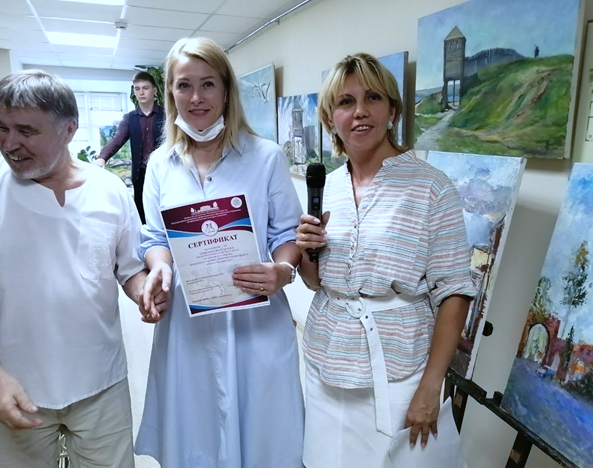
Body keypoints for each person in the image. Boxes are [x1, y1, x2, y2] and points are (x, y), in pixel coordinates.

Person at [0, 70, 167, 468]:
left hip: (101, 382)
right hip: (14, 386)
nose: (9, 143)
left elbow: (129, 269)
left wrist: (146, 292)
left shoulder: (109, 190)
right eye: (1, 127)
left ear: (69, 130)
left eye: (26, 131)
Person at [296, 53, 477, 467]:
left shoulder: (431, 187)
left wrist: (431, 386)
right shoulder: (328, 186)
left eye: (373, 98)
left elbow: (454, 291)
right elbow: (314, 281)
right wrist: (308, 251)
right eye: (345, 102)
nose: (359, 111)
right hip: (326, 363)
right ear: (330, 118)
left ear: (392, 110)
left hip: (397, 370)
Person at [135, 37, 305, 467]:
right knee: (196, 431)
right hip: (187, 322)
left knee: (262, 433)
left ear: (226, 90)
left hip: (255, 319)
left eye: (208, 84)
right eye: (184, 85)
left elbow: (287, 234)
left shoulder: (266, 157)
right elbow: (155, 238)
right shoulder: (160, 164)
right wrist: (159, 269)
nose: (196, 97)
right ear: (170, 93)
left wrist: (282, 270)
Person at [95, 71, 166, 224]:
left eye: (145, 88)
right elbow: (117, 139)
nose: (141, 92)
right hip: (140, 175)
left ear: (154, 91)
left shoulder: (166, 115)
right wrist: (102, 158)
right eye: (137, 88)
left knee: (165, 213)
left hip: (164, 173)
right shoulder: (130, 118)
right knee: (142, 214)